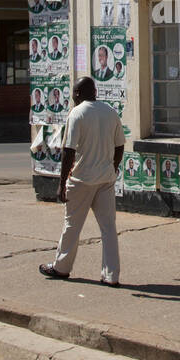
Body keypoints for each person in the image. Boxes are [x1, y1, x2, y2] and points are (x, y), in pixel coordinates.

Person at [40, 77, 125, 286]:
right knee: (108, 228)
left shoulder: (77, 114)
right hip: (105, 179)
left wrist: (61, 183)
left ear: (78, 94)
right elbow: (120, 145)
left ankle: (61, 267)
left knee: (72, 225)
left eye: (73, 93)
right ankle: (111, 276)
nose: (72, 97)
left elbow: (68, 152)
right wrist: (112, 167)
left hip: (81, 180)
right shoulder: (110, 111)